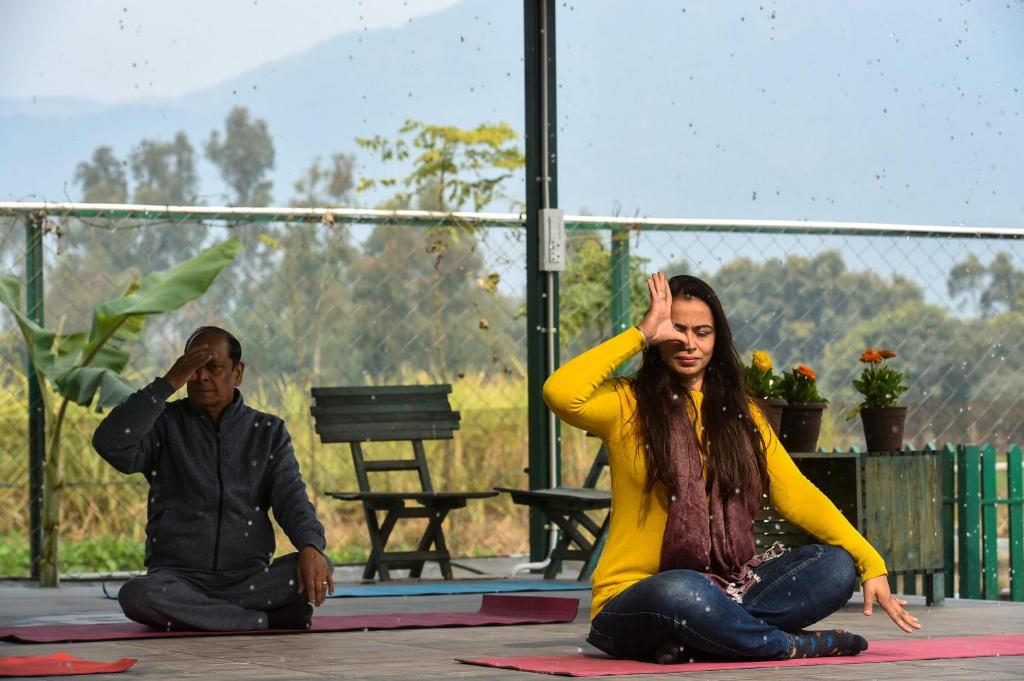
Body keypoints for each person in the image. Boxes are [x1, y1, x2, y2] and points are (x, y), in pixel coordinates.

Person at [543, 273, 921, 663]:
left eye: (702, 332)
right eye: (677, 329)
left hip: (730, 591)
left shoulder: (743, 415)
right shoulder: (627, 403)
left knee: (835, 568)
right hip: (637, 600)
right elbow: (560, 392)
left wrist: (870, 562)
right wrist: (640, 333)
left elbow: (797, 494)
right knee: (683, 590)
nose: (689, 343)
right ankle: (787, 644)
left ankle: (702, 639)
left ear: (717, 340)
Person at [93, 325, 334, 631]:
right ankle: (261, 619)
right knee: (137, 595)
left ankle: (207, 615)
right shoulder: (164, 424)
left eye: (214, 367)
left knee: (315, 565)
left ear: (238, 373)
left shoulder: (268, 432)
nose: (201, 376)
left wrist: (312, 546)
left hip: (249, 580)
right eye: (192, 368)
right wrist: (166, 384)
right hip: (178, 581)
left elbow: (291, 498)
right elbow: (110, 442)